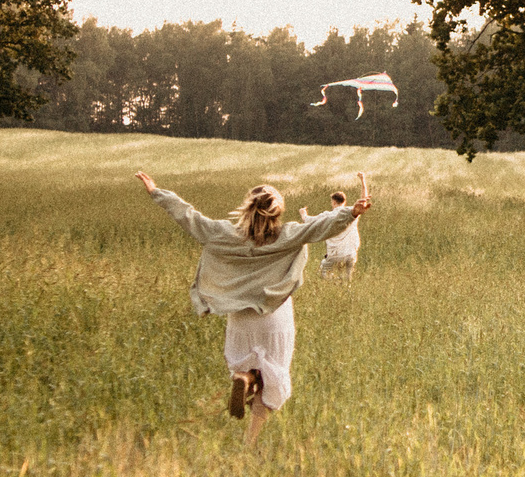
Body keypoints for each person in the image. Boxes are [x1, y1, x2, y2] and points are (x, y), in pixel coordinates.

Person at [135, 170, 371, 446]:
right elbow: (321, 228)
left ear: (249, 206)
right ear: (278, 211)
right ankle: (249, 444)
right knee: (274, 381)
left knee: (249, 364)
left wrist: (157, 192)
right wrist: (351, 213)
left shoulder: (227, 234)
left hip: (240, 318)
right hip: (275, 316)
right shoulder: (289, 234)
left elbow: (190, 218)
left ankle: (245, 376)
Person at [318, 188, 362, 281]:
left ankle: (335, 282)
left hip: (334, 255)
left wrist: (303, 214)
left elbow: (309, 220)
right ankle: (344, 286)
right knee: (347, 278)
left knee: (323, 271)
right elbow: (364, 201)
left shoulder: (328, 215)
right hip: (351, 253)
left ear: (334, 202)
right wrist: (363, 181)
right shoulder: (352, 212)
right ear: (344, 202)